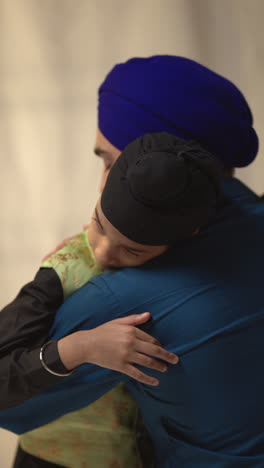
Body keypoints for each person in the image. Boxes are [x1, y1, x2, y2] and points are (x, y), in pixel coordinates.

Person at [1, 55, 262, 468]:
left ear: (155, 162)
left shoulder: (122, 301)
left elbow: (9, 405)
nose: (103, 183)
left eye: (110, 161)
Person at [1, 131, 220, 467]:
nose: (102, 254)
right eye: (98, 225)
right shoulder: (66, 268)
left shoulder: (187, 278)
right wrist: (80, 347)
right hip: (46, 458)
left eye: (131, 250)